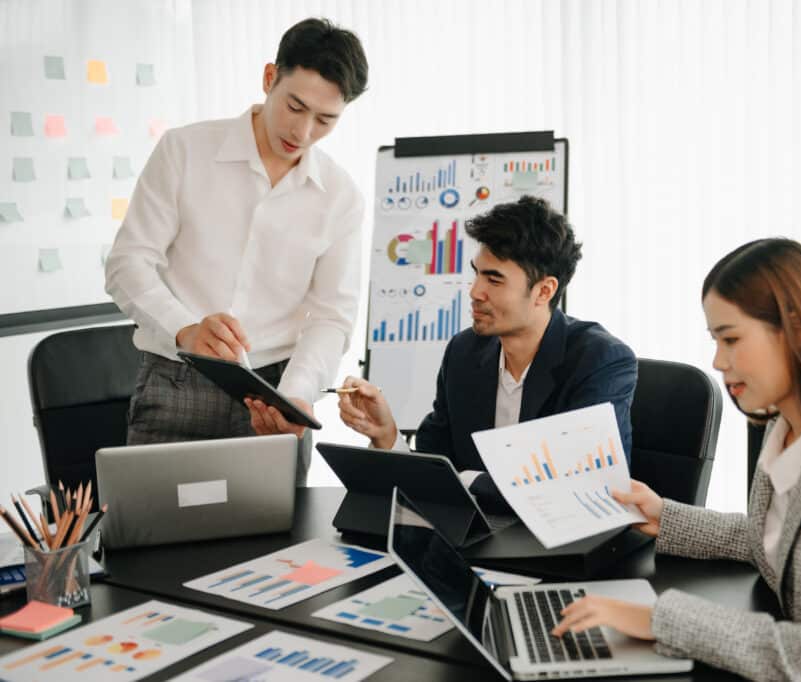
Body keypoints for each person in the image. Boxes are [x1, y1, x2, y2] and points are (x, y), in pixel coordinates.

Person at [552, 238, 801, 680]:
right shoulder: (784, 430)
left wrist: (659, 618)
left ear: (797, 330)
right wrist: (667, 517)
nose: (718, 361)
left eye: (731, 338)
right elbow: (774, 540)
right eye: (715, 340)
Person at [104, 18, 368, 483]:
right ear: (270, 78)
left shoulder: (341, 196)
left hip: (275, 395)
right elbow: (128, 263)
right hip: (176, 381)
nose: (303, 132)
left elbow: (332, 317)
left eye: (325, 120)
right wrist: (184, 328)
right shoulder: (184, 150)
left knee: (275, 551)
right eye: (295, 106)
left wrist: (298, 397)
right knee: (154, 544)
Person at [253, 196, 638, 511]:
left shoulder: (600, 361)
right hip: (472, 546)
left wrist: (464, 481)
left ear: (543, 290)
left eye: (494, 279)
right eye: (476, 273)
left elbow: (580, 492)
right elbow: (435, 467)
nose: (474, 292)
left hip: (561, 559)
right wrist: (388, 436)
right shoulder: (465, 353)